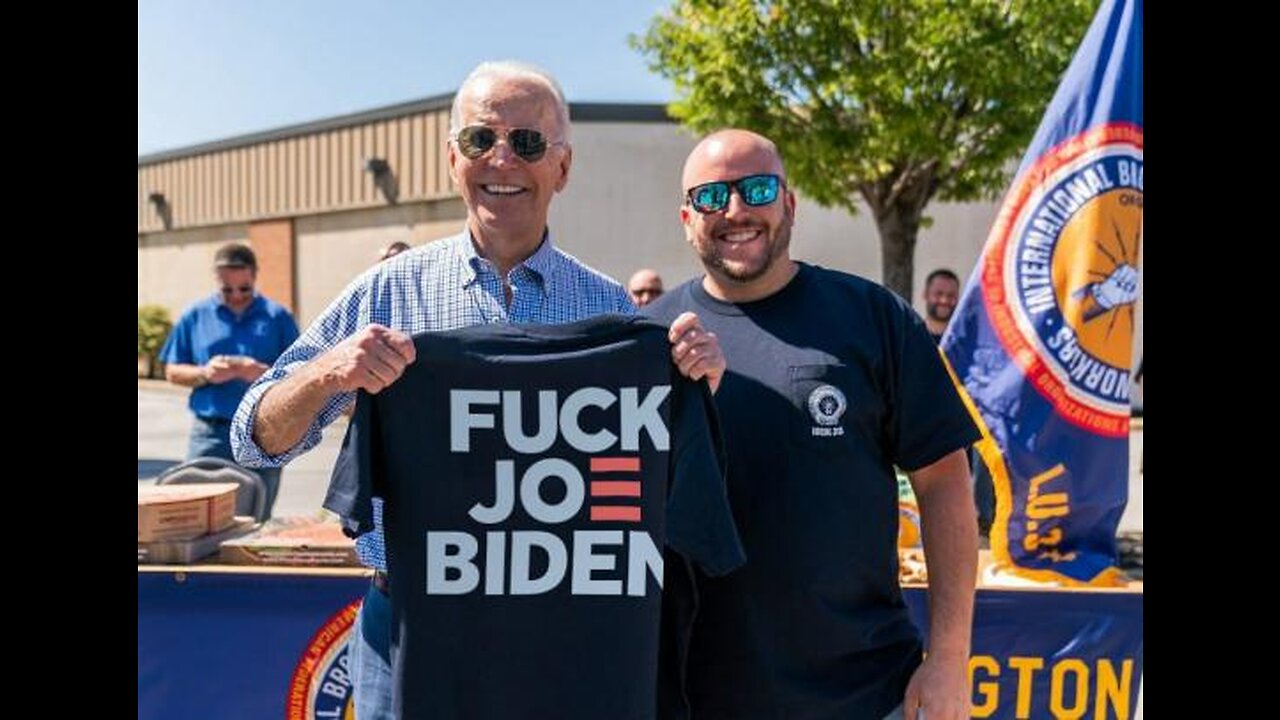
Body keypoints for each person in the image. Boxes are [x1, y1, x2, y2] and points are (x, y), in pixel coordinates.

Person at [230, 60, 725, 720]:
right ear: (451, 159)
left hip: (567, 639)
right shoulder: (388, 293)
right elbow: (252, 441)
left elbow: (661, 488)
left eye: (526, 143)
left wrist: (696, 381)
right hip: (411, 630)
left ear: (563, 168)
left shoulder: (618, 319)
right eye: (479, 140)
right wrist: (330, 373)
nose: (501, 159)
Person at [644, 129, 981, 720]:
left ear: (790, 204)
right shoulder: (650, 337)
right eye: (710, 197)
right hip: (695, 698)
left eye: (757, 189)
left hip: (865, 693)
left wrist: (950, 658)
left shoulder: (873, 317)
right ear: (685, 217)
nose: (736, 210)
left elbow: (945, 483)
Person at [160, 242, 299, 516]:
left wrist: (263, 373)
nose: (236, 295)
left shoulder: (278, 317)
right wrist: (205, 373)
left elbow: (301, 372)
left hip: (263, 430)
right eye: (227, 289)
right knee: (198, 513)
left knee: (256, 515)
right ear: (216, 279)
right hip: (210, 432)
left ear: (255, 276)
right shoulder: (195, 316)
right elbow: (172, 371)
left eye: (244, 289)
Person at [923, 268, 960, 343]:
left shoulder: (966, 342)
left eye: (951, 295)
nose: (944, 300)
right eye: (938, 294)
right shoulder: (909, 338)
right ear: (925, 294)